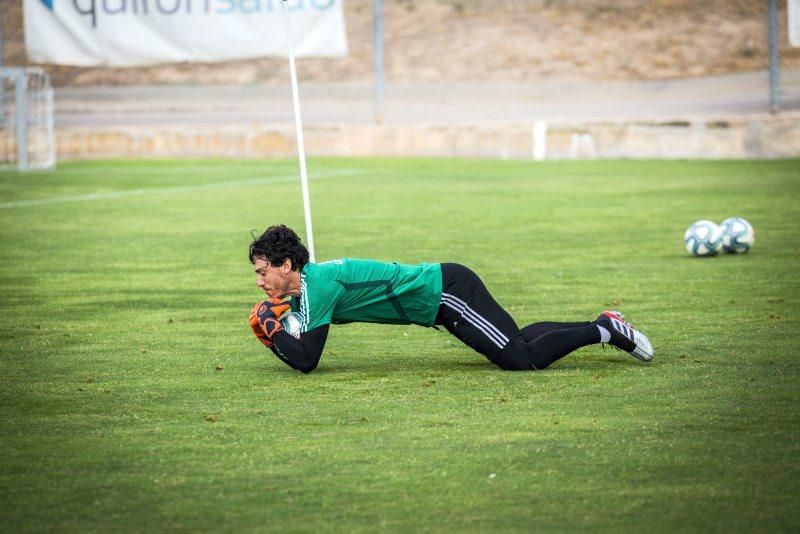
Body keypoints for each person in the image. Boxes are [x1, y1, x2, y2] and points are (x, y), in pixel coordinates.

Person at [248, 225, 653, 374]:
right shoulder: (310, 287)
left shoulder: (319, 287)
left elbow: (305, 360)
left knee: (519, 360)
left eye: (263, 271)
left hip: (447, 292)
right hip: (444, 294)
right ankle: (603, 320)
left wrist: (271, 333)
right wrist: (281, 327)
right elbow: (301, 339)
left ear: (286, 265)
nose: (260, 281)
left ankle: (604, 330)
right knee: (519, 344)